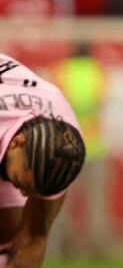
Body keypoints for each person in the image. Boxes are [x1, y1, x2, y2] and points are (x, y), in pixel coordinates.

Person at [0, 53, 86, 268]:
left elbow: (33, 237)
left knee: (19, 230)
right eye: (22, 182)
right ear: (17, 142)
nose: (26, 196)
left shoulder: (65, 152)